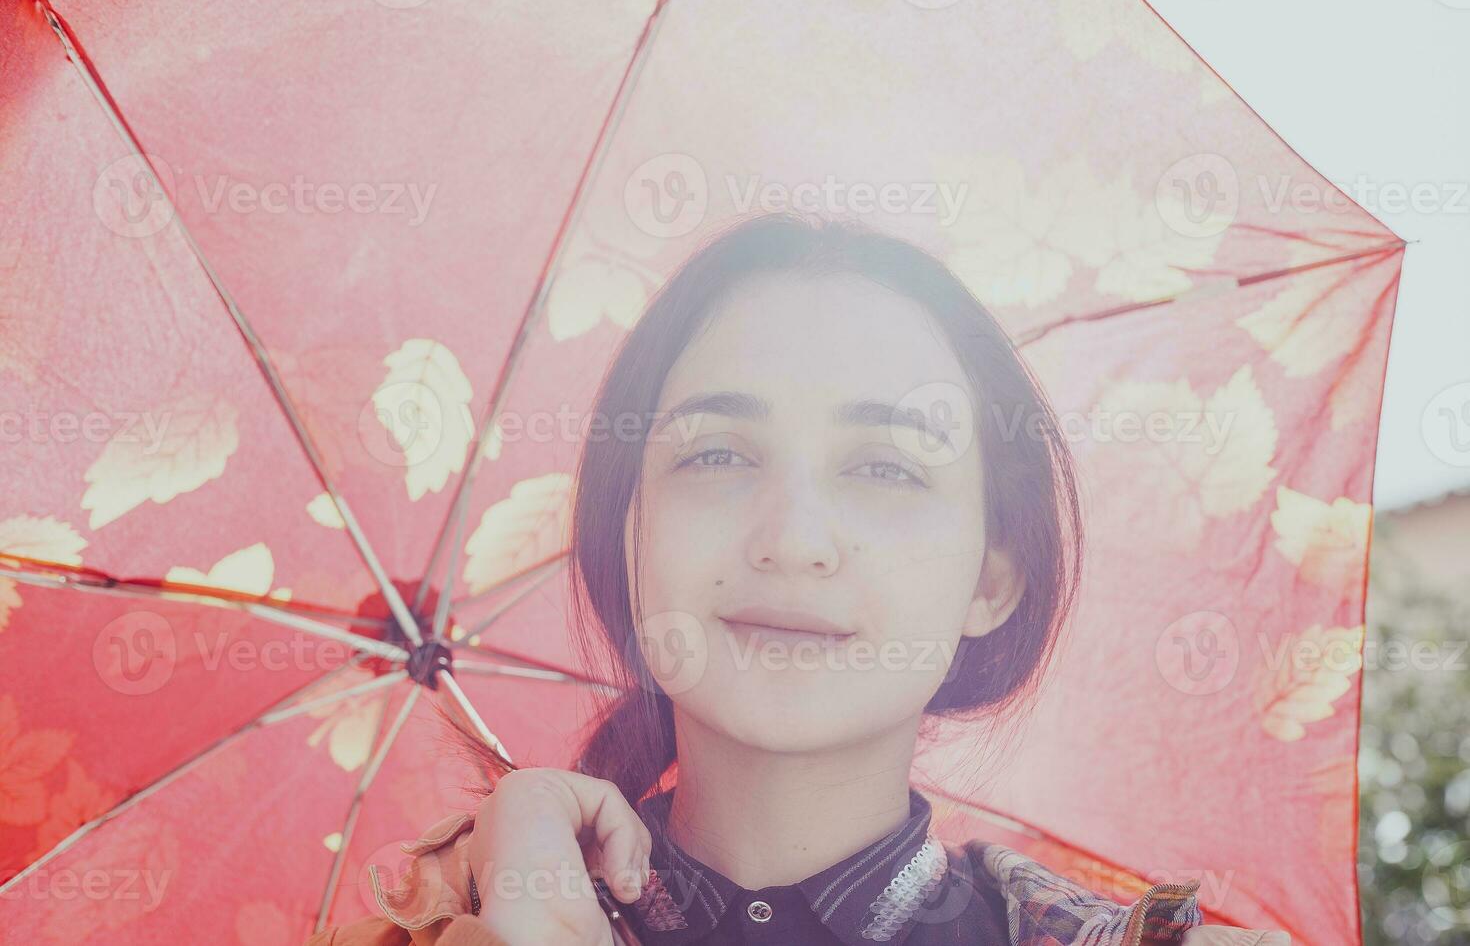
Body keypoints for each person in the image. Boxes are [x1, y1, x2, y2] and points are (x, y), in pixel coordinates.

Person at [306, 213, 1290, 945]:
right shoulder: (443, 926)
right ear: (627, 530)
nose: (794, 538)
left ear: (994, 578)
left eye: (887, 468)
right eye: (718, 455)